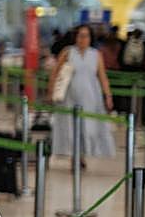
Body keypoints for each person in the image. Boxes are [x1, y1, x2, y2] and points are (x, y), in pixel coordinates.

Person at [48, 24, 115, 160]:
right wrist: (51, 92)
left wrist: (108, 95)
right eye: (80, 36)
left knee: (89, 127)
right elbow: (55, 73)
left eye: (86, 36)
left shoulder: (96, 55)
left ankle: (83, 154)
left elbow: (102, 77)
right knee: (71, 127)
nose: (83, 39)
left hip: (91, 97)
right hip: (70, 97)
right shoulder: (68, 52)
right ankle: (75, 156)